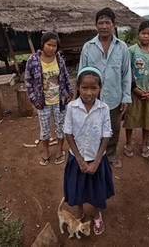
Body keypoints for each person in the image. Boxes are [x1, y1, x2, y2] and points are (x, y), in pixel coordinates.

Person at [63, 66, 114, 236]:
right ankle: (80, 211)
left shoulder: (104, 108)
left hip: (97, 158)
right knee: (78, 187)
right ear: (78, 87)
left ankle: (97, 212)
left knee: (97, 189)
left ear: (100, 88)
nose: (89, 92)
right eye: (85, 88)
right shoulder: (72, 107)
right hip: (76, 158)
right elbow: (68, 133)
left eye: (94, 88)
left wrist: (97, 162)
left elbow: (106, 135)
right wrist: (79, 160)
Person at [79, 7, 132, 169]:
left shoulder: (122, 47)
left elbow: (126, 74)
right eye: (100, 23)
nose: (104, 26)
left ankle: (110, 155)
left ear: (113, 25)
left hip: (114, 98)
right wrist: (82, 97)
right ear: (96, 26)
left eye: (107, 22)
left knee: (113, 129)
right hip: (92, 98)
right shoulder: (88, 47)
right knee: (92, 127)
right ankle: (94, 155)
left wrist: (126, 97)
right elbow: (81, 73)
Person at [24, 31, 74, 165]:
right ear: (42, 44)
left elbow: (65, 76)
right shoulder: (33, 60)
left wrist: (70, 91)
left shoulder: (59, 59)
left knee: (61, 127)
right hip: (43, 102)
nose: (51, 48)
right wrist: (34, 99)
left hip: (60, 101)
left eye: (54, 46)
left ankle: (59, 150)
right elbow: (28, 82)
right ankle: (45, 151)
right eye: (49, 44)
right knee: (45, 129)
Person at [123, 20, 149, 158]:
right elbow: (127, 71)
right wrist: (134, 89)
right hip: (134, 92)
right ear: (138, 34)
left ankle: (144, 143)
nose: (146, 36)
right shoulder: (131, 50)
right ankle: (128, 143)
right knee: (131, 119)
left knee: (148, 119)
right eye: (143, 33)